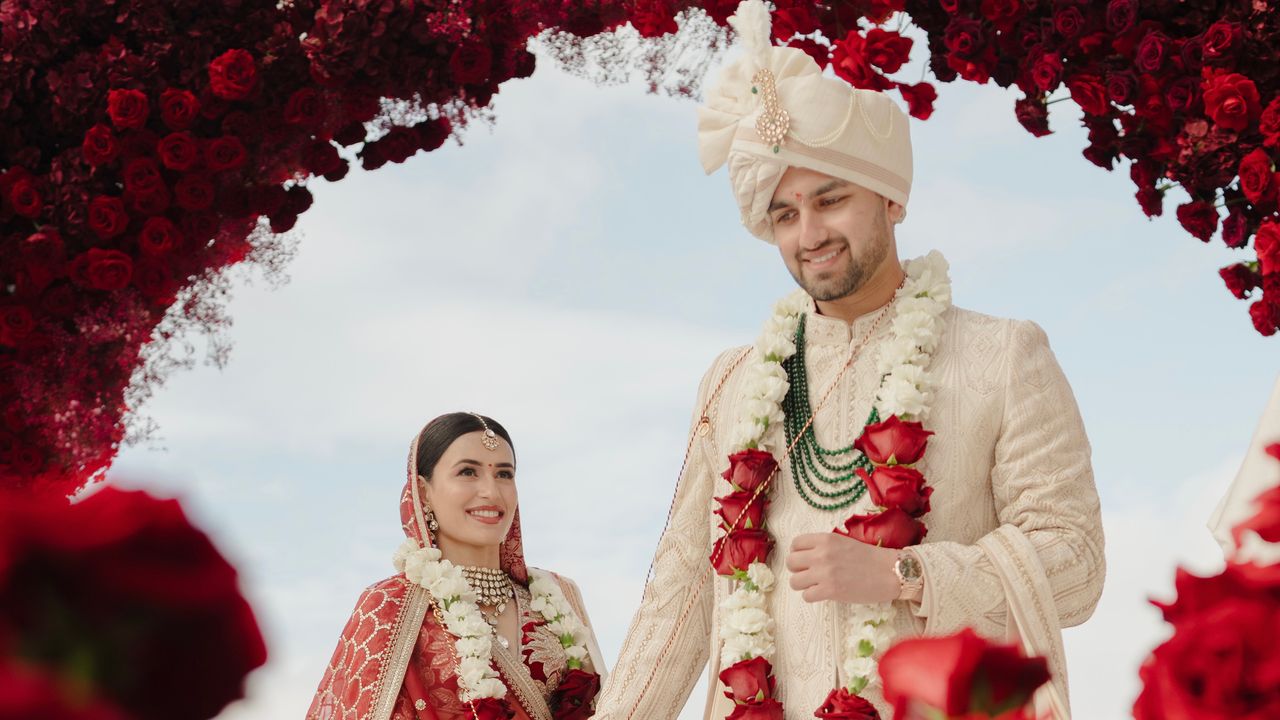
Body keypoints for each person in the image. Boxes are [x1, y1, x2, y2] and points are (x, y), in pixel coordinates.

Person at [591, 2, 1104, 719]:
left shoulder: (1002, 355)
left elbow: (1075, 565)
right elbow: (679, 598)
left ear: (891, 198)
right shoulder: (736, 383)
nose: (810, 234)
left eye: (831, 200)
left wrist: (905, 573)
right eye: (786, 214)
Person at [309, 412, 605, 720]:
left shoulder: (557, 596)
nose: (491, 491)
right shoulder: (387, 605)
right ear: (423, 492)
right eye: (468, 472)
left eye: (504, 474)